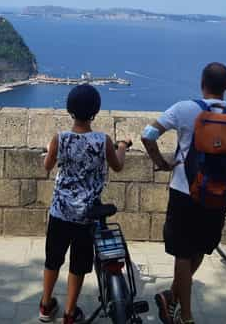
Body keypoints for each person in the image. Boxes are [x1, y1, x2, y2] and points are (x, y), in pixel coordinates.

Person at [140, 62, 226, 324]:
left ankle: (184, 315)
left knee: (182, 254)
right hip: (219, 192)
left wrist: (160, 162)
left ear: (201, 83)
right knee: (200, 248)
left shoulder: (184, 109)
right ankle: (174, 300)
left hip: (184, 191)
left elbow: (148, 134)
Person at [39, 84, 132, 324]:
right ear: (95, 111)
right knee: (78, 265)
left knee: (53, 259)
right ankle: (70, 313)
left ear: (70, 109)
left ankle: (46, 305)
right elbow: (118, 166)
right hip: (87, 215)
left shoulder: (60, 139)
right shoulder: (103, 140)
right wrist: (122, 147)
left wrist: (52, 152)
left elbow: (47, 167)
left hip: (60, 213)